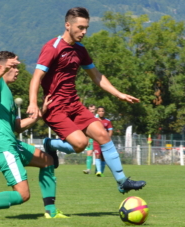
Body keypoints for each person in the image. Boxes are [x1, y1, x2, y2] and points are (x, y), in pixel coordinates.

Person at [27, 7, 146, 194]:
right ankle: (49, 144)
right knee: (80, 144)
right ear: (68, 25)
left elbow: (97, 76)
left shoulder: (80, 50)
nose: (84, 32)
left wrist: (119, 94)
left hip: (74, 105)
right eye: (80, 27)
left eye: (86, 28)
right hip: (55, 108)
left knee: (103, 135)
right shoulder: (52, 48)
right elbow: (36, 78)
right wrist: (33, 103)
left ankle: (122, 181)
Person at [0, 51, 68, 221]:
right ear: (2, 67)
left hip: (11, 143)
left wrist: (40, 113)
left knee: (47, 161)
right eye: (14, 66)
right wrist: (1, 72)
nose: (17, 70)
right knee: (22, 195)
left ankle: (51, 211)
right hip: (1, 146)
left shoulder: (7, 92)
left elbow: (17, 127)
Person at [93, 106, 111, 177]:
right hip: (96, 141)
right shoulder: (94, 121)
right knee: (97, 155)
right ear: (97, 112)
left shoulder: (107, 121)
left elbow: (110, 131)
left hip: (105, 142)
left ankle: (101, 171)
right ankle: (99, 172)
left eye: (102, 111)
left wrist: (108, 138)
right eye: (99, 111)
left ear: (104, 112)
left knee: (103, 157)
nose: (101, 112)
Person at [83, 104, 96, 174]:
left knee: (98, 155)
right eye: (90, 110)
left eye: (93, 109)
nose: (92, 111)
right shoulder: (87, 118)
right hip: (90, 139)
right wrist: (87, 140)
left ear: (95, 110)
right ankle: (88, 169)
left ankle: (98, 170)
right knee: (89, 153)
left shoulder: (97, 117)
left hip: (97, 138)